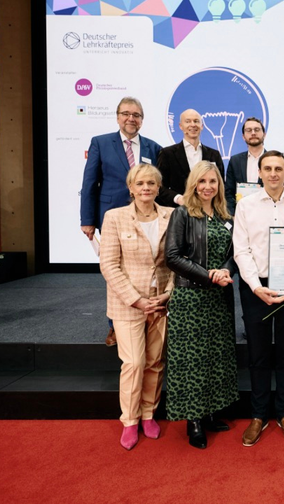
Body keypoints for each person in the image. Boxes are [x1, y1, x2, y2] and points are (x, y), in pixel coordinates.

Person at [233, 151, 284, 446]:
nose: (273, 173)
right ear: (260, 173)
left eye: (279, 168)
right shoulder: (247, 206)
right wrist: (255, 286)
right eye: (268, 168)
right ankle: (258, 415)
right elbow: (241, 250)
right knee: (259, 353)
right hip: (256, 288)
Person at [164, 160, 238, 450]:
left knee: (214, 357)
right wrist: (208, 275)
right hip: (191, 298)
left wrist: (225, 271)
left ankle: (209, 412)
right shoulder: (182, 214)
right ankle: (192, 421)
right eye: (202, 181)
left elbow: (234, 252)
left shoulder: (224, 216)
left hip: (219, 297)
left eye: (213, 181)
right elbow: (172, 256)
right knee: (192, 360)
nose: (208, 186)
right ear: (194, 184)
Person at [99, 164, 173, 450]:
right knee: (134, 363)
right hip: (128, 304)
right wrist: (136, 299)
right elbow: (108, 264)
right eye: (140, 183)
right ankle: (129, 420)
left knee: (154, 362)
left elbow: (175, 260)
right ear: (131, 188)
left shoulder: (171, 215)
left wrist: (166, 294)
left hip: (160, 303)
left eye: (151, 184)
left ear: (158, 187)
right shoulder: (114, 217)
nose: (146, 188)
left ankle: (148, 414)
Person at [80, 96, 162, 347]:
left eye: (136, 115)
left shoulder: (153, 148)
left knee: (141, 268)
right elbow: (89, 183)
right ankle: (114, 325)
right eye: (126, 114)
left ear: (142, 120)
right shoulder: (101, 143)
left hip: (145, 216)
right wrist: (87, 220)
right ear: (118, 117)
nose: (131, 118)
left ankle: (143, 318)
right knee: (115, 270)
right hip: (112, 216)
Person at [156, 109, 225, 208]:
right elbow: (160, 187)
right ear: (181, 126)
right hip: (179, 211)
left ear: (202, 126)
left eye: (196, 121)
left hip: (208, 211)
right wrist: (179, 199)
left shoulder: (214, 155)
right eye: (188, 121)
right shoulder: (167, 154)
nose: (193, 125)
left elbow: (221, 186)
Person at [225, 117, 284, 215]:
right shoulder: (235, 161)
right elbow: (228, 193)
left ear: (264, 134)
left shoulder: (276, 160)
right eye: (249, 130)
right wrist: (233, 215)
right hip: (242, 215)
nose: (253, 133)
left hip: (270, 215)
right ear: (243, 136)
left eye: (257, 129)